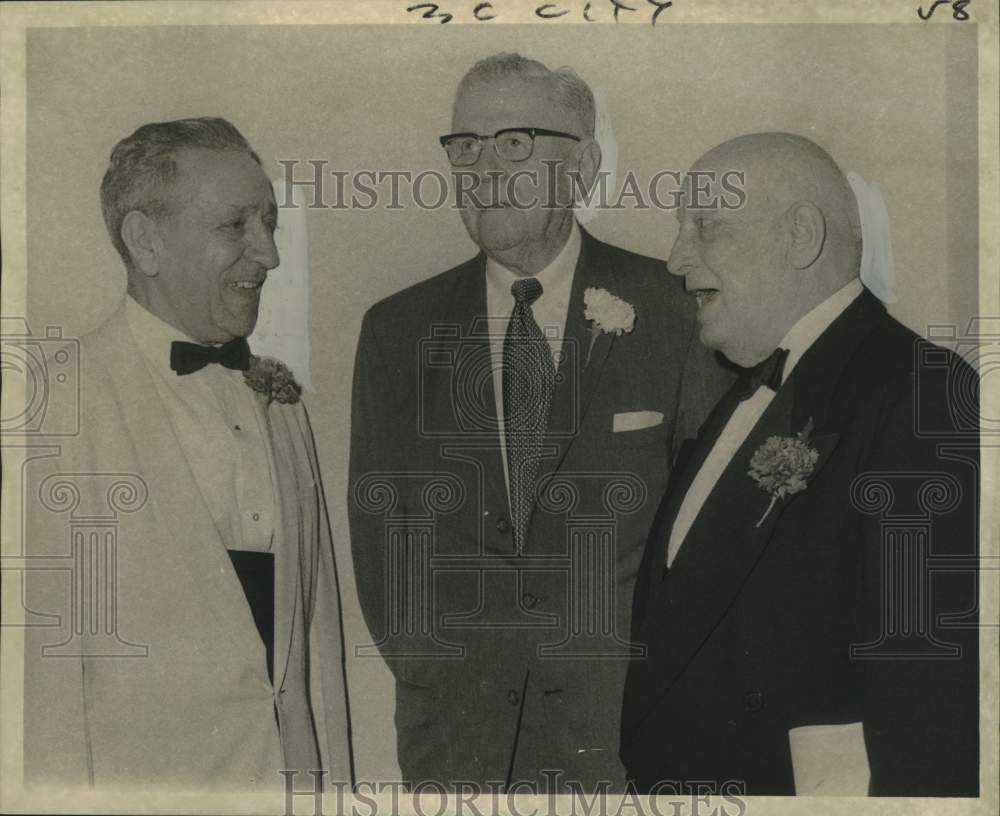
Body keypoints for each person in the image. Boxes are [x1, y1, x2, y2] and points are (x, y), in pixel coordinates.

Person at [348, 53, 733, 790]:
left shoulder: (674, 311)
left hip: (628, 744)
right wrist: (440, 680)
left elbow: (710, 544)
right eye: (466, 147)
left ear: (582, 165)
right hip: (460, 749)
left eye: (514, 144)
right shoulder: (396, 332)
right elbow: (381, 548)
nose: (483, 169)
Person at [621, 132, 979, 796]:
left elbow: (930, 698)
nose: (675, 259)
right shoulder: (744, 393)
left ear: (800, 236)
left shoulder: (922, 391)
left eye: (706, 226)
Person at [23, 117, 352, 791]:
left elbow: (318, 652)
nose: (269, 255)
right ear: (146, 241)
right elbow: (36, 689)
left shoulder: (282, 404)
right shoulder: (50, 406)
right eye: (236, 226)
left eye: (269, 223)